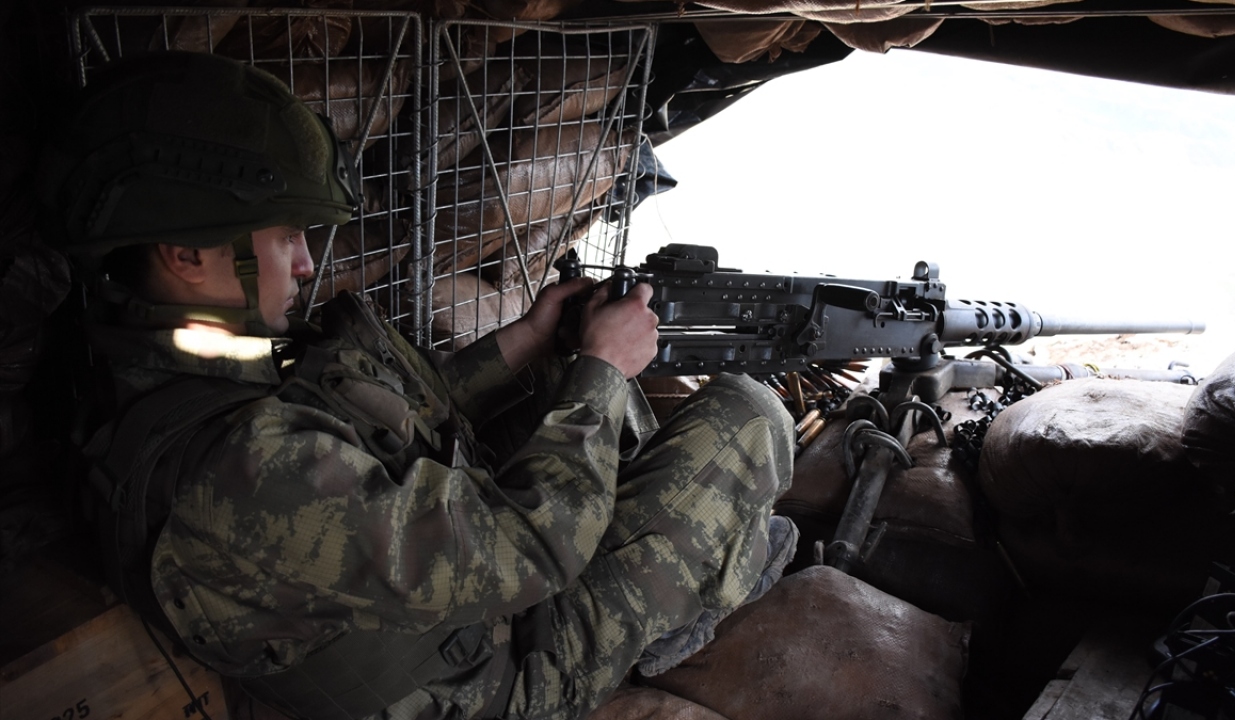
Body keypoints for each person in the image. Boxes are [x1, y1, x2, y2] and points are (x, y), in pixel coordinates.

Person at [40, 52, 796, 720]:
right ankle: (697, 594)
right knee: (748, 411)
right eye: (285, 236)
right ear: (186, 255)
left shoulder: (166, 383)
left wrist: (527, 341)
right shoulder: (241, 476)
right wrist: (602, 369)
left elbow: (381, 429)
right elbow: (534, 548)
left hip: (432, 622)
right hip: (507, 675)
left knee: (570, 392)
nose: (305, 263)